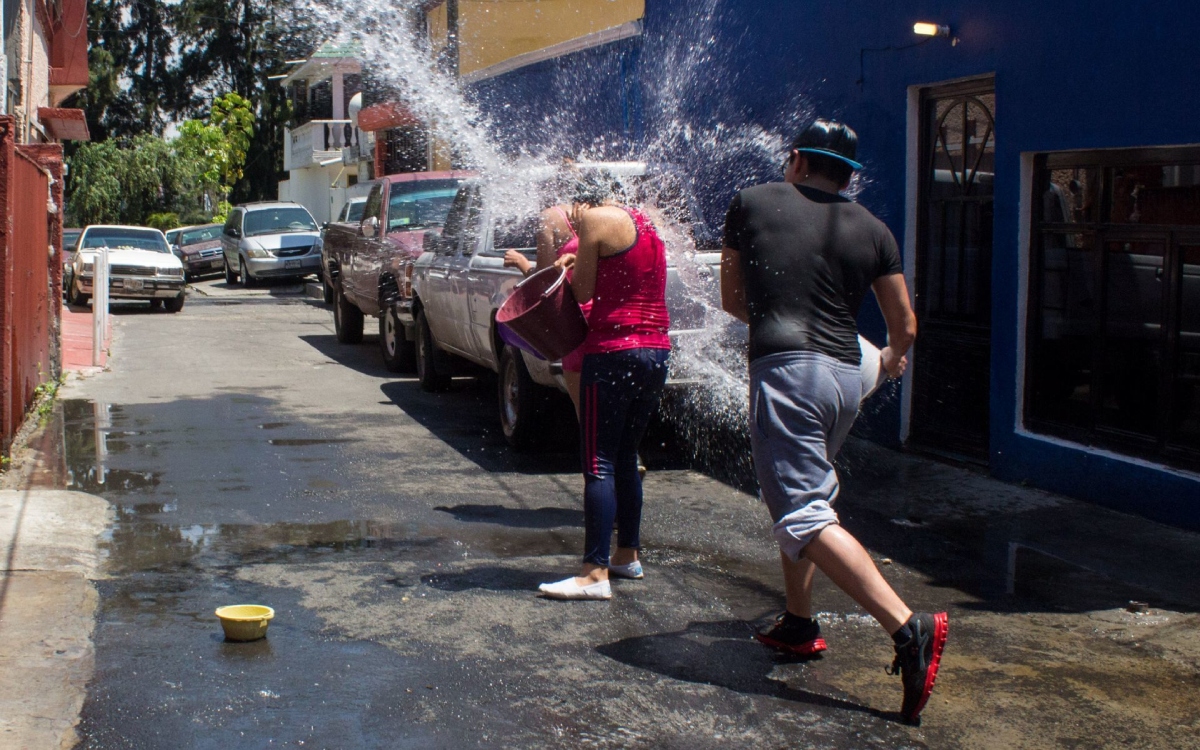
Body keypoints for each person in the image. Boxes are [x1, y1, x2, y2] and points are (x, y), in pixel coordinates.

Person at [720, 119, 947, 725]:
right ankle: (798, 622)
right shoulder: (874, 229)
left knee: (802, 510)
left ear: (796, 160)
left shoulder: (752, 201)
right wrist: (891, 364)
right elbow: (906, 329)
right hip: (848, 376)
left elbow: (733, 301)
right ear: (848, 175)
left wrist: (780, 331)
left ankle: (907, 626)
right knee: (807, 500)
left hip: (787, 369)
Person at [536, 186, 671, 601]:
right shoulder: (648, 223)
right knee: (627, 455)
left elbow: (582, 294)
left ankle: (594, 573)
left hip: (612, 351)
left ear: (584, 203)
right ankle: (627, 554)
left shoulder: (594, 220)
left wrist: (566, 265)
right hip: (656, 350)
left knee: (598, 462)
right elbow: (623, 275)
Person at [503, 171, 616, 416]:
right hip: (615, 323)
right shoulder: (620, 221)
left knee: (586, 415)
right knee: (618, 414)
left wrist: (522, 263)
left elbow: (546, 281)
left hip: (577, 325)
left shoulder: (552, 218)